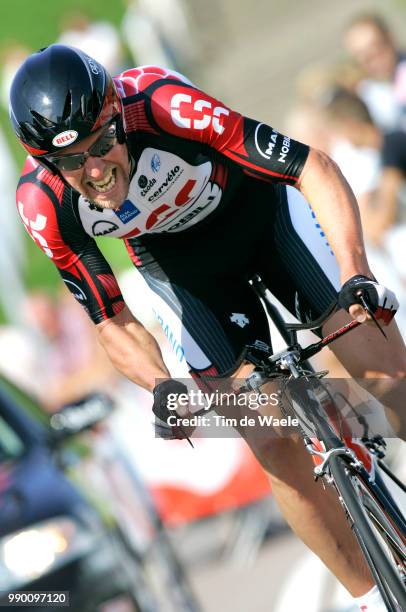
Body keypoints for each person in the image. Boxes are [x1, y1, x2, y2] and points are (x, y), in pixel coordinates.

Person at [9, 45, 405, 611]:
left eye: (102, 146)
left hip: (266, 223)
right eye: (74, 164)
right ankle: (370, 598)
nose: (95, 171)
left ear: (117, 117)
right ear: (48, 165)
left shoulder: (162, 103)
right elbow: (112, 320)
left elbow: (311, 165)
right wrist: (162, 387)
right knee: (272, 444)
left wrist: (355, 272)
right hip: (184, 276)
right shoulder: (43, 205)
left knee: (389, 374)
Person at [344, 13, 406, 133]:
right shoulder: (366, 93)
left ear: (389, 38)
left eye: (376, 47)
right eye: (361, 55)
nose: (371, 59)